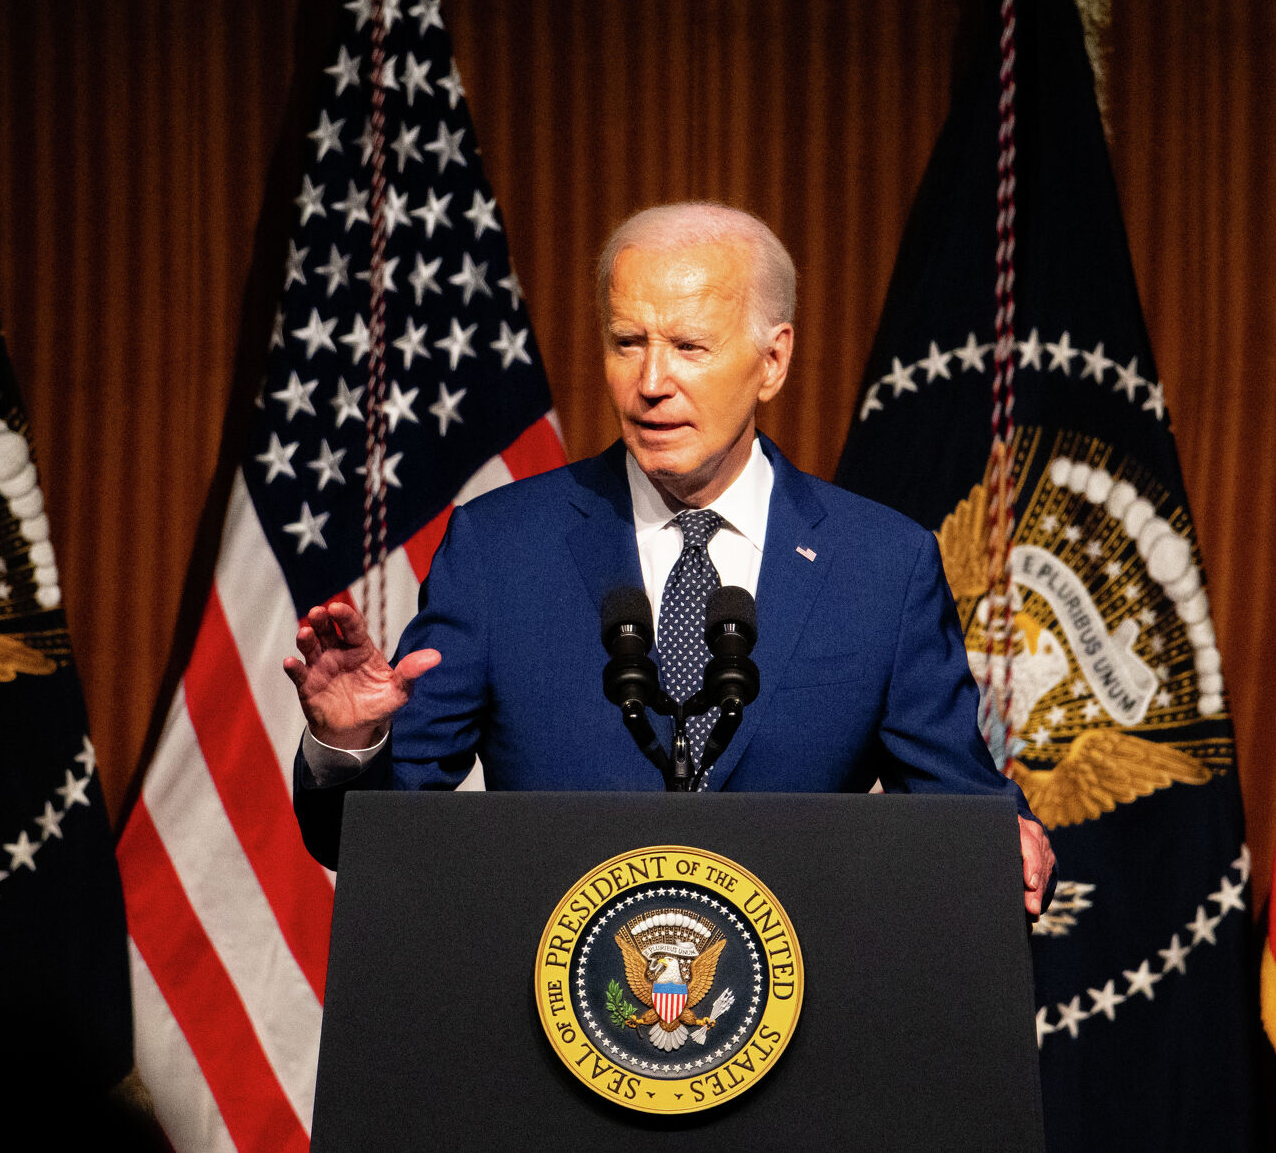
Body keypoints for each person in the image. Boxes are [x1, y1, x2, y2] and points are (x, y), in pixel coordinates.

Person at [285, 202, 1054, 911]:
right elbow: (370, 837)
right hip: (556, 1016)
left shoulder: (881, 566)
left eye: (690, 346)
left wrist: (1003, 841)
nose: (652, 383)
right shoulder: (499, 550)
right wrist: (349, 744)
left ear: (772, 361)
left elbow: (962, 810)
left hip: (796, 1022)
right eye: (629, 343)